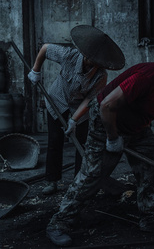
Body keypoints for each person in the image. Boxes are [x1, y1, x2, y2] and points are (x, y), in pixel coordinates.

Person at [45, 49, 154, 247]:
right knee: (93, 173)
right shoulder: (146, 77)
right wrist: (113, 139)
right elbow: (106, 106)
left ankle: (151, 218)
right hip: (105, 122)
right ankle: (60, 223)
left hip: (137, 126)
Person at [28, 25, 125, 196]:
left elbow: (89, 100)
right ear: (85, 54)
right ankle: (52, 181)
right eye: (89, 59)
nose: (91, 63)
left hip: (79, 108)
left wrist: (74, 120)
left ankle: (78, 182)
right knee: (55, 140)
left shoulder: (101, 75)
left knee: (82, 142)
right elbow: (45, 48)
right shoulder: (69, 55)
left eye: (96, 62)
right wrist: (36, 71)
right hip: (57, 100)